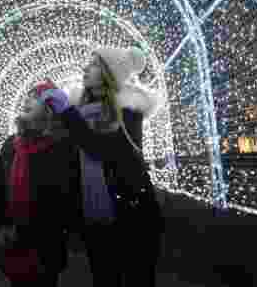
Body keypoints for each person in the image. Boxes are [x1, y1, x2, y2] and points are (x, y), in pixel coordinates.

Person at [41, 46, 165, 287]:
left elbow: (101, 149)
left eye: (94, 64)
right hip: (96, 222)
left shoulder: (128, 111)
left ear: (109, 73)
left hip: (133, 218)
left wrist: (67, 112)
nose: (85, 68)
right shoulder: (80, 114)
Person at [0, 80, 81, 287]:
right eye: (27, 95)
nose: (27, 99)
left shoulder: (61, 147)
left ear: (49, 110)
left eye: (36, 97)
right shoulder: (11, 144)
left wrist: (67, 231)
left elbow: (69, 195)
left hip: (45, 245)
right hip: (13, 240)